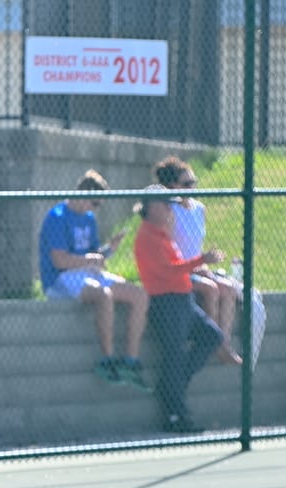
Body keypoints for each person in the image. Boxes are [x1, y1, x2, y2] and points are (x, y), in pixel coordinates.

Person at [38, 169, 150, 390]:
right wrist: (91, 259)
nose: (95, 209)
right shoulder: (57, 217)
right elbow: (60, 261)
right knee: (103, 295)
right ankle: (108, 361)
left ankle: (130, 362)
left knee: (139, 295)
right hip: (60, 279)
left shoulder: (88, 218)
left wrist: (108, 250)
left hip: (84, 274)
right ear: (83, 194)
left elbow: (92, 256)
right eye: (95, 203)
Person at [132, 186, 225, 434]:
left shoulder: (163, 234)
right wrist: (201, 260)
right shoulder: (147, 237)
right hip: (166, 302)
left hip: (184, 300)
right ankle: (175, 415)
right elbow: (168, 270)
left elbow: (176, 267)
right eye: (165, 204)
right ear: (152, 207)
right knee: (173, 355)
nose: (169, 209)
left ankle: (172, 385)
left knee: (212, 336)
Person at [154, 156, 242, 366]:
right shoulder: (169, 211)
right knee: (210, 289)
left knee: (228, 289)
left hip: (197, 267)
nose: (192, 188)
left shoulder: (199, 209)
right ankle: (212, 341)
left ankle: (225, 345)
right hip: (179, 270)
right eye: (186, 184)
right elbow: (170, 252)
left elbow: (195, 246)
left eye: (194, 183)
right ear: (173, 186)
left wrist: (202, 264)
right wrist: (195, 266)